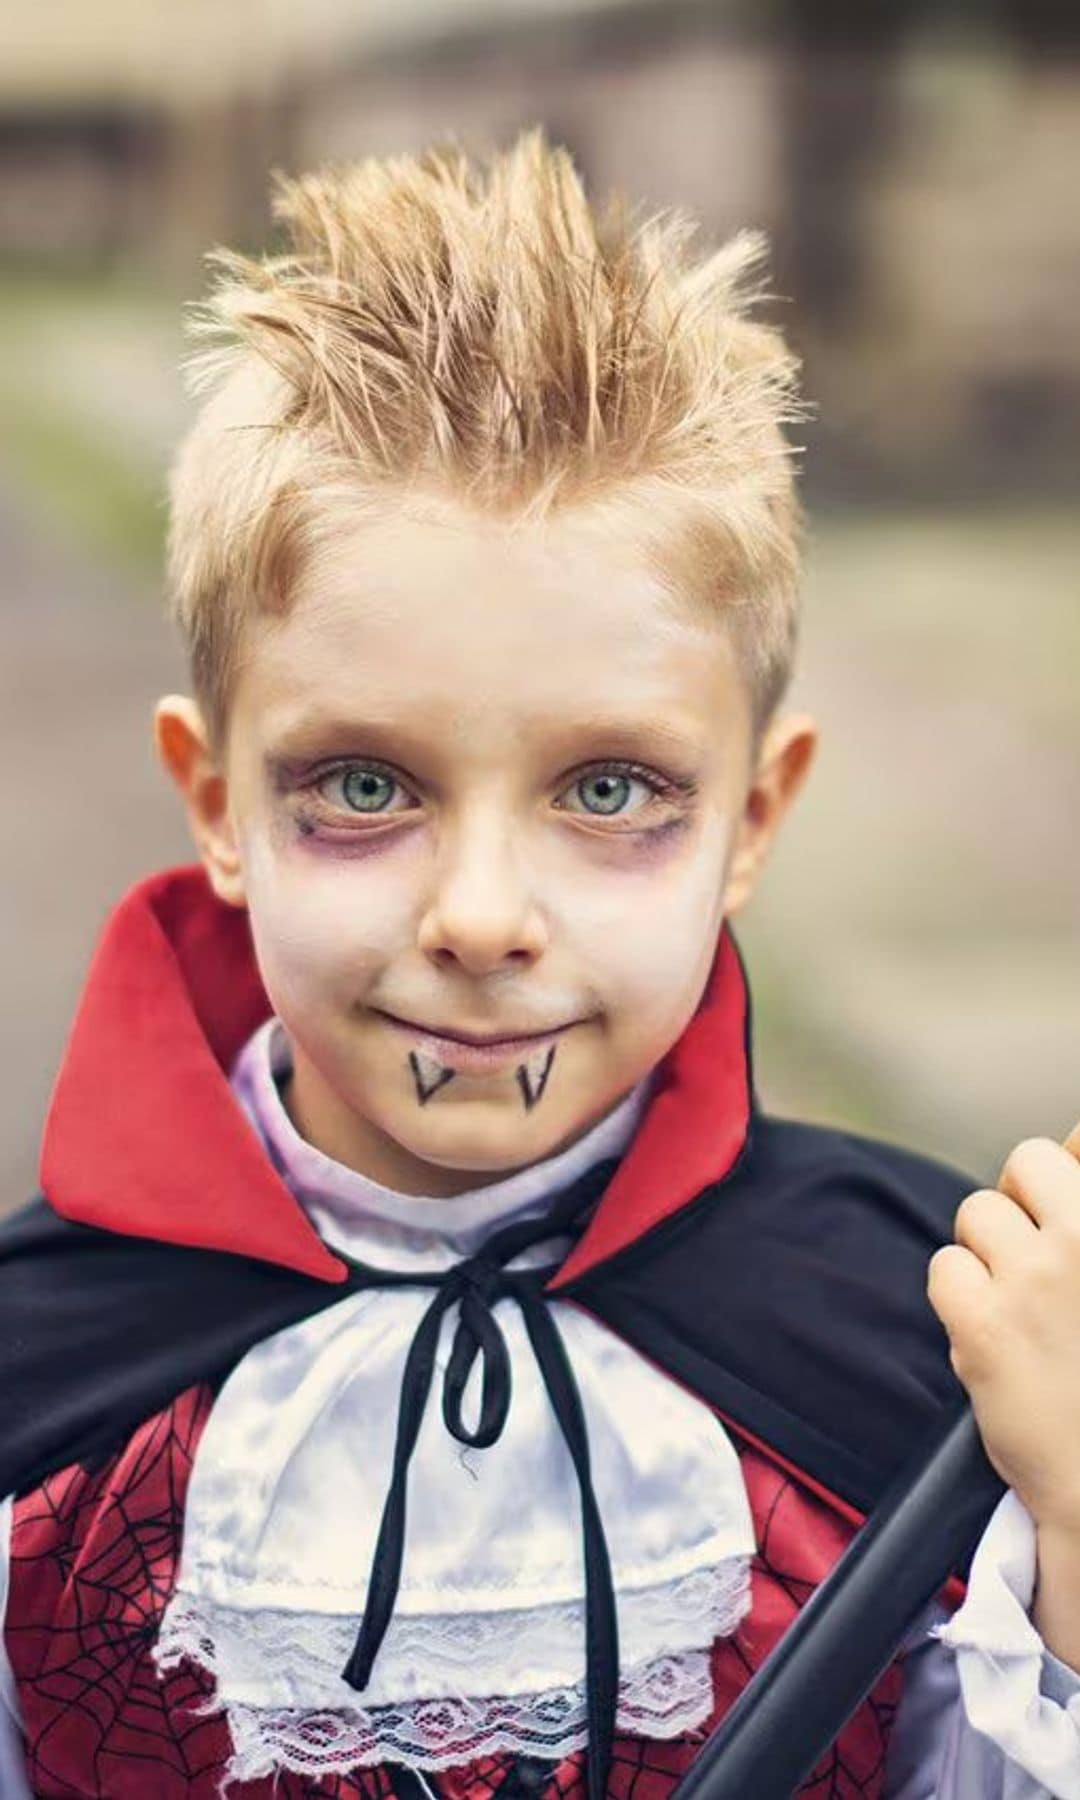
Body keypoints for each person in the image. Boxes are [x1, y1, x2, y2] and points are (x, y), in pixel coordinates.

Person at [1, 128, 1079, 1800]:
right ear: (217, 802)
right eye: (365, 786)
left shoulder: (928, 1338)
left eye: (609, 790)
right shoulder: (38, 1382)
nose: (485, 915)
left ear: (753, 815)